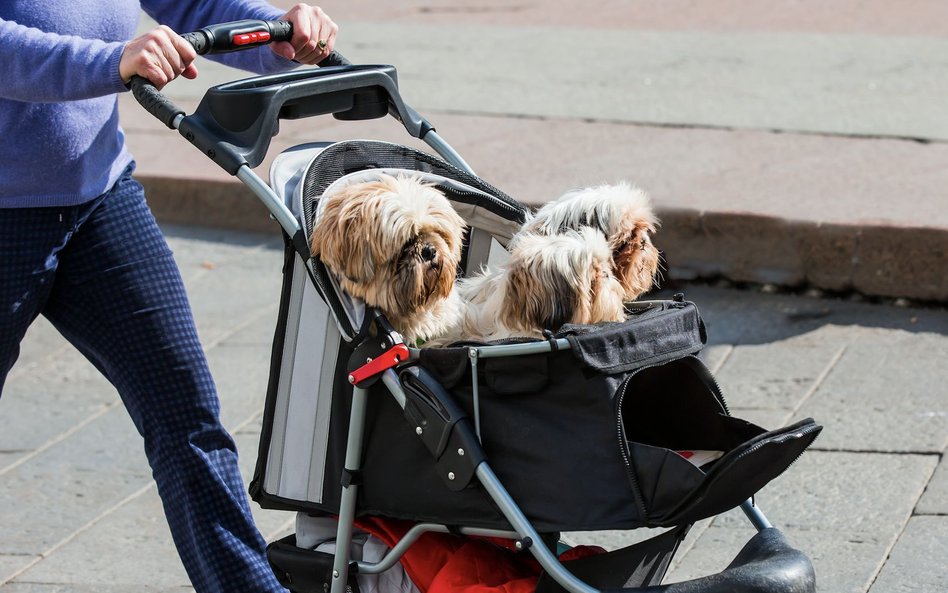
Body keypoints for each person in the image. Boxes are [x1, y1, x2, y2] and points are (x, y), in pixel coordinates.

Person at [0, 2, 338, 592]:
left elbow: (195, 3)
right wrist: (113, 61)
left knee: (188, 419)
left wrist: (275, 34)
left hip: (98, 202)